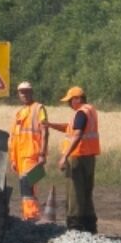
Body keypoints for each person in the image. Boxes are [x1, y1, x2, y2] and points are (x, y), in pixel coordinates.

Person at [48, 86, 101, 233]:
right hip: (89, 157)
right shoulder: (90, 111)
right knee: (86, 191)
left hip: (77, 157)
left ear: (78, 99)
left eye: (70, 101)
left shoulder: (81, 113)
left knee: (74, 192)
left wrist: (65, 155)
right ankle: (90, 225)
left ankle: (75, 225)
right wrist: (50, 125)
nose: (68, 104)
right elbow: (70, 128)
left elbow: (77, 134)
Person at [8, 81, 49, 221]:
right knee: (26, 188)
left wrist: (42, 154)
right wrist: (13, 159)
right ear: (18, 94)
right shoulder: (19, 113)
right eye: (21, 92)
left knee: (28, 186)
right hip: (20, 158)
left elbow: (45, 132)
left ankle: (32, 216)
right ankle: (29, 215)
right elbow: (14, 138)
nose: (24, 94)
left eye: (27, 91)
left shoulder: (39, 109)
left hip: (33, 155)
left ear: (32, 92)